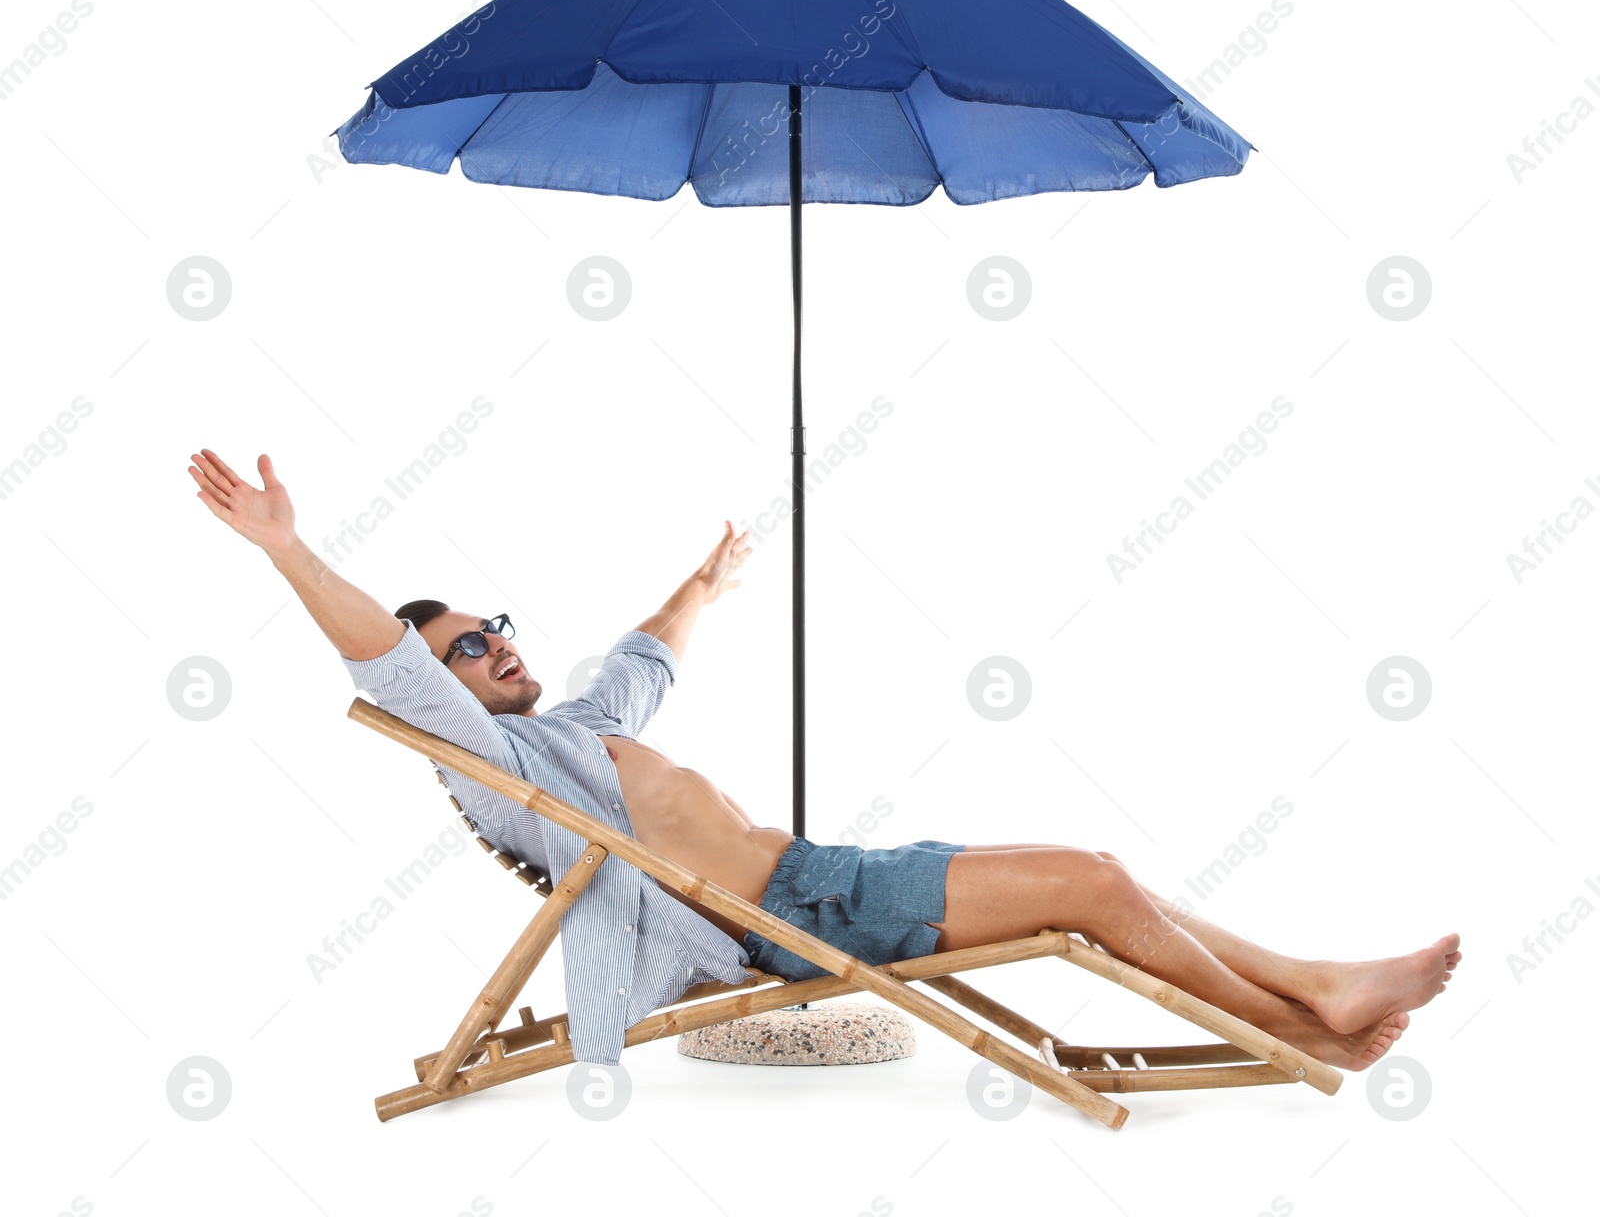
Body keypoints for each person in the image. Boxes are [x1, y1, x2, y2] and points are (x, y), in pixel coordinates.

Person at [190, 447, 1460, 1072]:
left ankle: (1310, 985)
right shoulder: (479, 759)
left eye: (497, 627)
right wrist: (286, 552)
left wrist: (706, 578)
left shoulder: (568, 731)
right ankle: (1305, 1033)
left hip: (823, 871)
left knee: (1104, 877)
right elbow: (388, 664)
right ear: (444, 686)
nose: (499, 647)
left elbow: (646, 658)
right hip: (787, 922)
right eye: (472, 647)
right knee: (1094, 884)